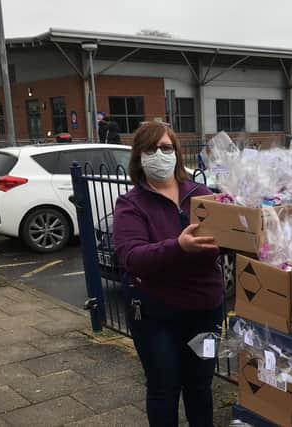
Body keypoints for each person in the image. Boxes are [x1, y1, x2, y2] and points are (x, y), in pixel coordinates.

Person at [112, 122, 223, 427]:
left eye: (166, 147)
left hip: (205, 312)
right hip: (156, 315)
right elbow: (132, 257)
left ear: (176, 152)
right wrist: (179, 247)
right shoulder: (130, 204)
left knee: (200, 387)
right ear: (139, 157)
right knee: (164, 389)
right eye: (151, 149)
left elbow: (223, 246)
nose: (160, 154)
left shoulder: (202, 195)